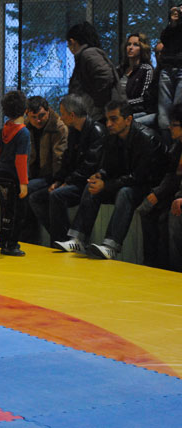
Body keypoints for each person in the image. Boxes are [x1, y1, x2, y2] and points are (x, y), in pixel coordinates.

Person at [55, 100, 167, 259]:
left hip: (150, 187)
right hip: (125, 182)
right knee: (91, 186)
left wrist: (106, 185)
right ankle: (78, 239)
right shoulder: (112, 136)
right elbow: (108, 166)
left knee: (125, 193)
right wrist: (100, 175)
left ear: (128, 119)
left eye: (114, 119)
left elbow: (139, 177)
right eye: (107, 119)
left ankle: (111, 246)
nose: (108, 124)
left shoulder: (147, 139)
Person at [29, 94, 105, 244]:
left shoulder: (96, 131)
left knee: (57, 195)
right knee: (35, 198)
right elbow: (67, 161)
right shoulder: (74, 131)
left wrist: (68, 182)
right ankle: (62, 237)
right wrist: (59, 180)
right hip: (74, 179)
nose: (61, 117)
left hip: (86, 182)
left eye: (63, 114)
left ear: (72, 115)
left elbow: (89, 166)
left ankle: (63, 240)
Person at [138, 103, 182, 268]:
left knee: (172, 217)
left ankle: (175, 268)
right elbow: (171, 177)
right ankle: (152, 263)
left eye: (174, 125)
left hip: (179, 198)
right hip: (175, 194)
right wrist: (156, 194)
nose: (170, 128)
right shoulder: (177, 147)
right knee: (149, 209)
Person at [0, 91, 30, 256]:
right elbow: (21, 159)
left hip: (2, 174)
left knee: (6, 209)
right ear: (25, 110)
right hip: (15, 177)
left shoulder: (6, 129)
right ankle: (11, 244)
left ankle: (3, 240)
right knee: (18, 212)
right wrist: (24, 183)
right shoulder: (23, 132)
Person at [20, 96, 68, 242]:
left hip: (51, 175)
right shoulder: (25, 127)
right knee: (19, 189)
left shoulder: (58, 127)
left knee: (27, 191)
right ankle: (29, 237)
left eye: (41, 116)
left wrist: (58, 181)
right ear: (27, 114)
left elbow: (59, 157)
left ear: (48, 111)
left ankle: (56, 237)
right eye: (33, 117)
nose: (38, 120)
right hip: (33, 174)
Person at [67, 22, 121, 121]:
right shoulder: (88, 54)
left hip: (97, 114)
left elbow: (105, 76)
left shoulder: (88, 54)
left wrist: (97, 105)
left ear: (72, 41)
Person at [117, 33, 156, 126]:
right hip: (119, 111)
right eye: (129, 44)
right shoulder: (119, 70)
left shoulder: (146, 69)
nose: (130, 47)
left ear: (142, 48)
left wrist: (124, 104)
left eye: (135, 45)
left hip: (137, 112)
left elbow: (144, 98)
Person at [157, 5, 182, 142]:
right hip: (167, 68)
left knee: (179, 110)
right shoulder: (171, 29)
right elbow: (164, 39)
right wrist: (173, 23)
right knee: (164, 114)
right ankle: (168, 147)